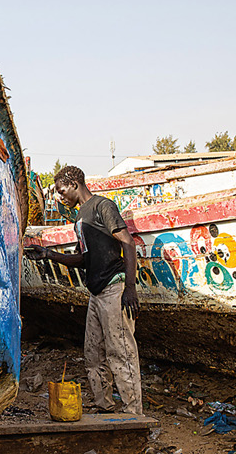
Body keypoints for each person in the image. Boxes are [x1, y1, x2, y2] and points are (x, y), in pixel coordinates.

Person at [24, 166, 143, 415]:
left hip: (114, 289)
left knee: (120, 352)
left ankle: (134, 413)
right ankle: (105, 407)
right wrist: (48, 254)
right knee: (93, 355)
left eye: (61, 189)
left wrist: (130, 288)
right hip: (96, 293)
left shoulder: (102, 206)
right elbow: (83, 258)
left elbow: (128, 243)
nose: (59, 195)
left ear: (75, 183)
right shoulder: (80, 217)